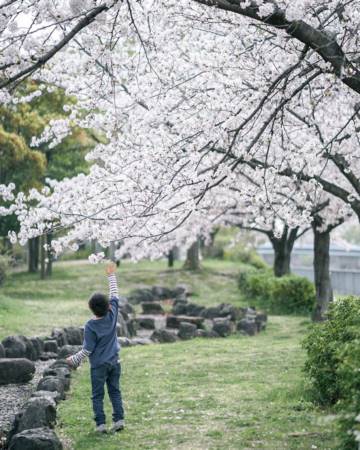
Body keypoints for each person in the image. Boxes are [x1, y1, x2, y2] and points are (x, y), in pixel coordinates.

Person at [67, 262, 125, 434]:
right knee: (115, 391)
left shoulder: (90, 326)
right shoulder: (113, 314)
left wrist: (74, 359)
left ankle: (101, 425)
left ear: (91, 309)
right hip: (115, 362)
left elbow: (87, 350)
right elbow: (114, 293)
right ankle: (119, 420)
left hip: (99, 366)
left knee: (97, 395)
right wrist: (111, 275)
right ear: (108, 306)